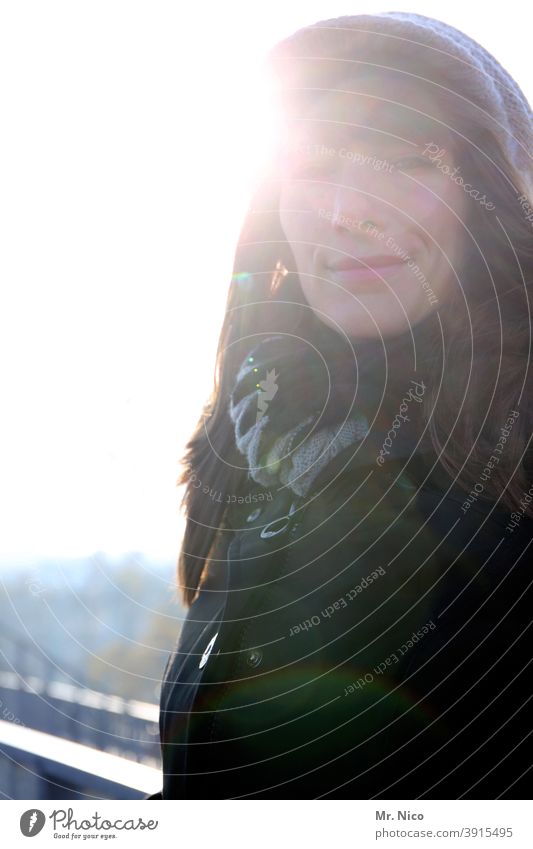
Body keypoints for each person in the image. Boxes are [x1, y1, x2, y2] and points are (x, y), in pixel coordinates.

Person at [147, 12, 533, 800]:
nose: (346, 208)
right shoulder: (267, 433)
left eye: (403, 158)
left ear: (490, 192)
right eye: (315, 161)